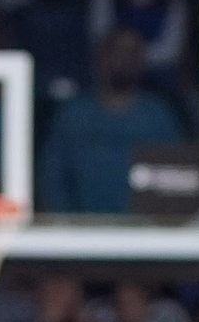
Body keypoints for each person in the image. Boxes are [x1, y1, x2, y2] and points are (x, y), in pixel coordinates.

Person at [37, 28, 186, 214]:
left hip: (143, 228)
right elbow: (52, 178)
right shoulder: (74, 114)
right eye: (118, 51)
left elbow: (174, 179)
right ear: (101, 57)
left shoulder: (158, 115)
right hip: (81, 227)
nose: (125, 60)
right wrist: (66, 223)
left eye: (132, 53)